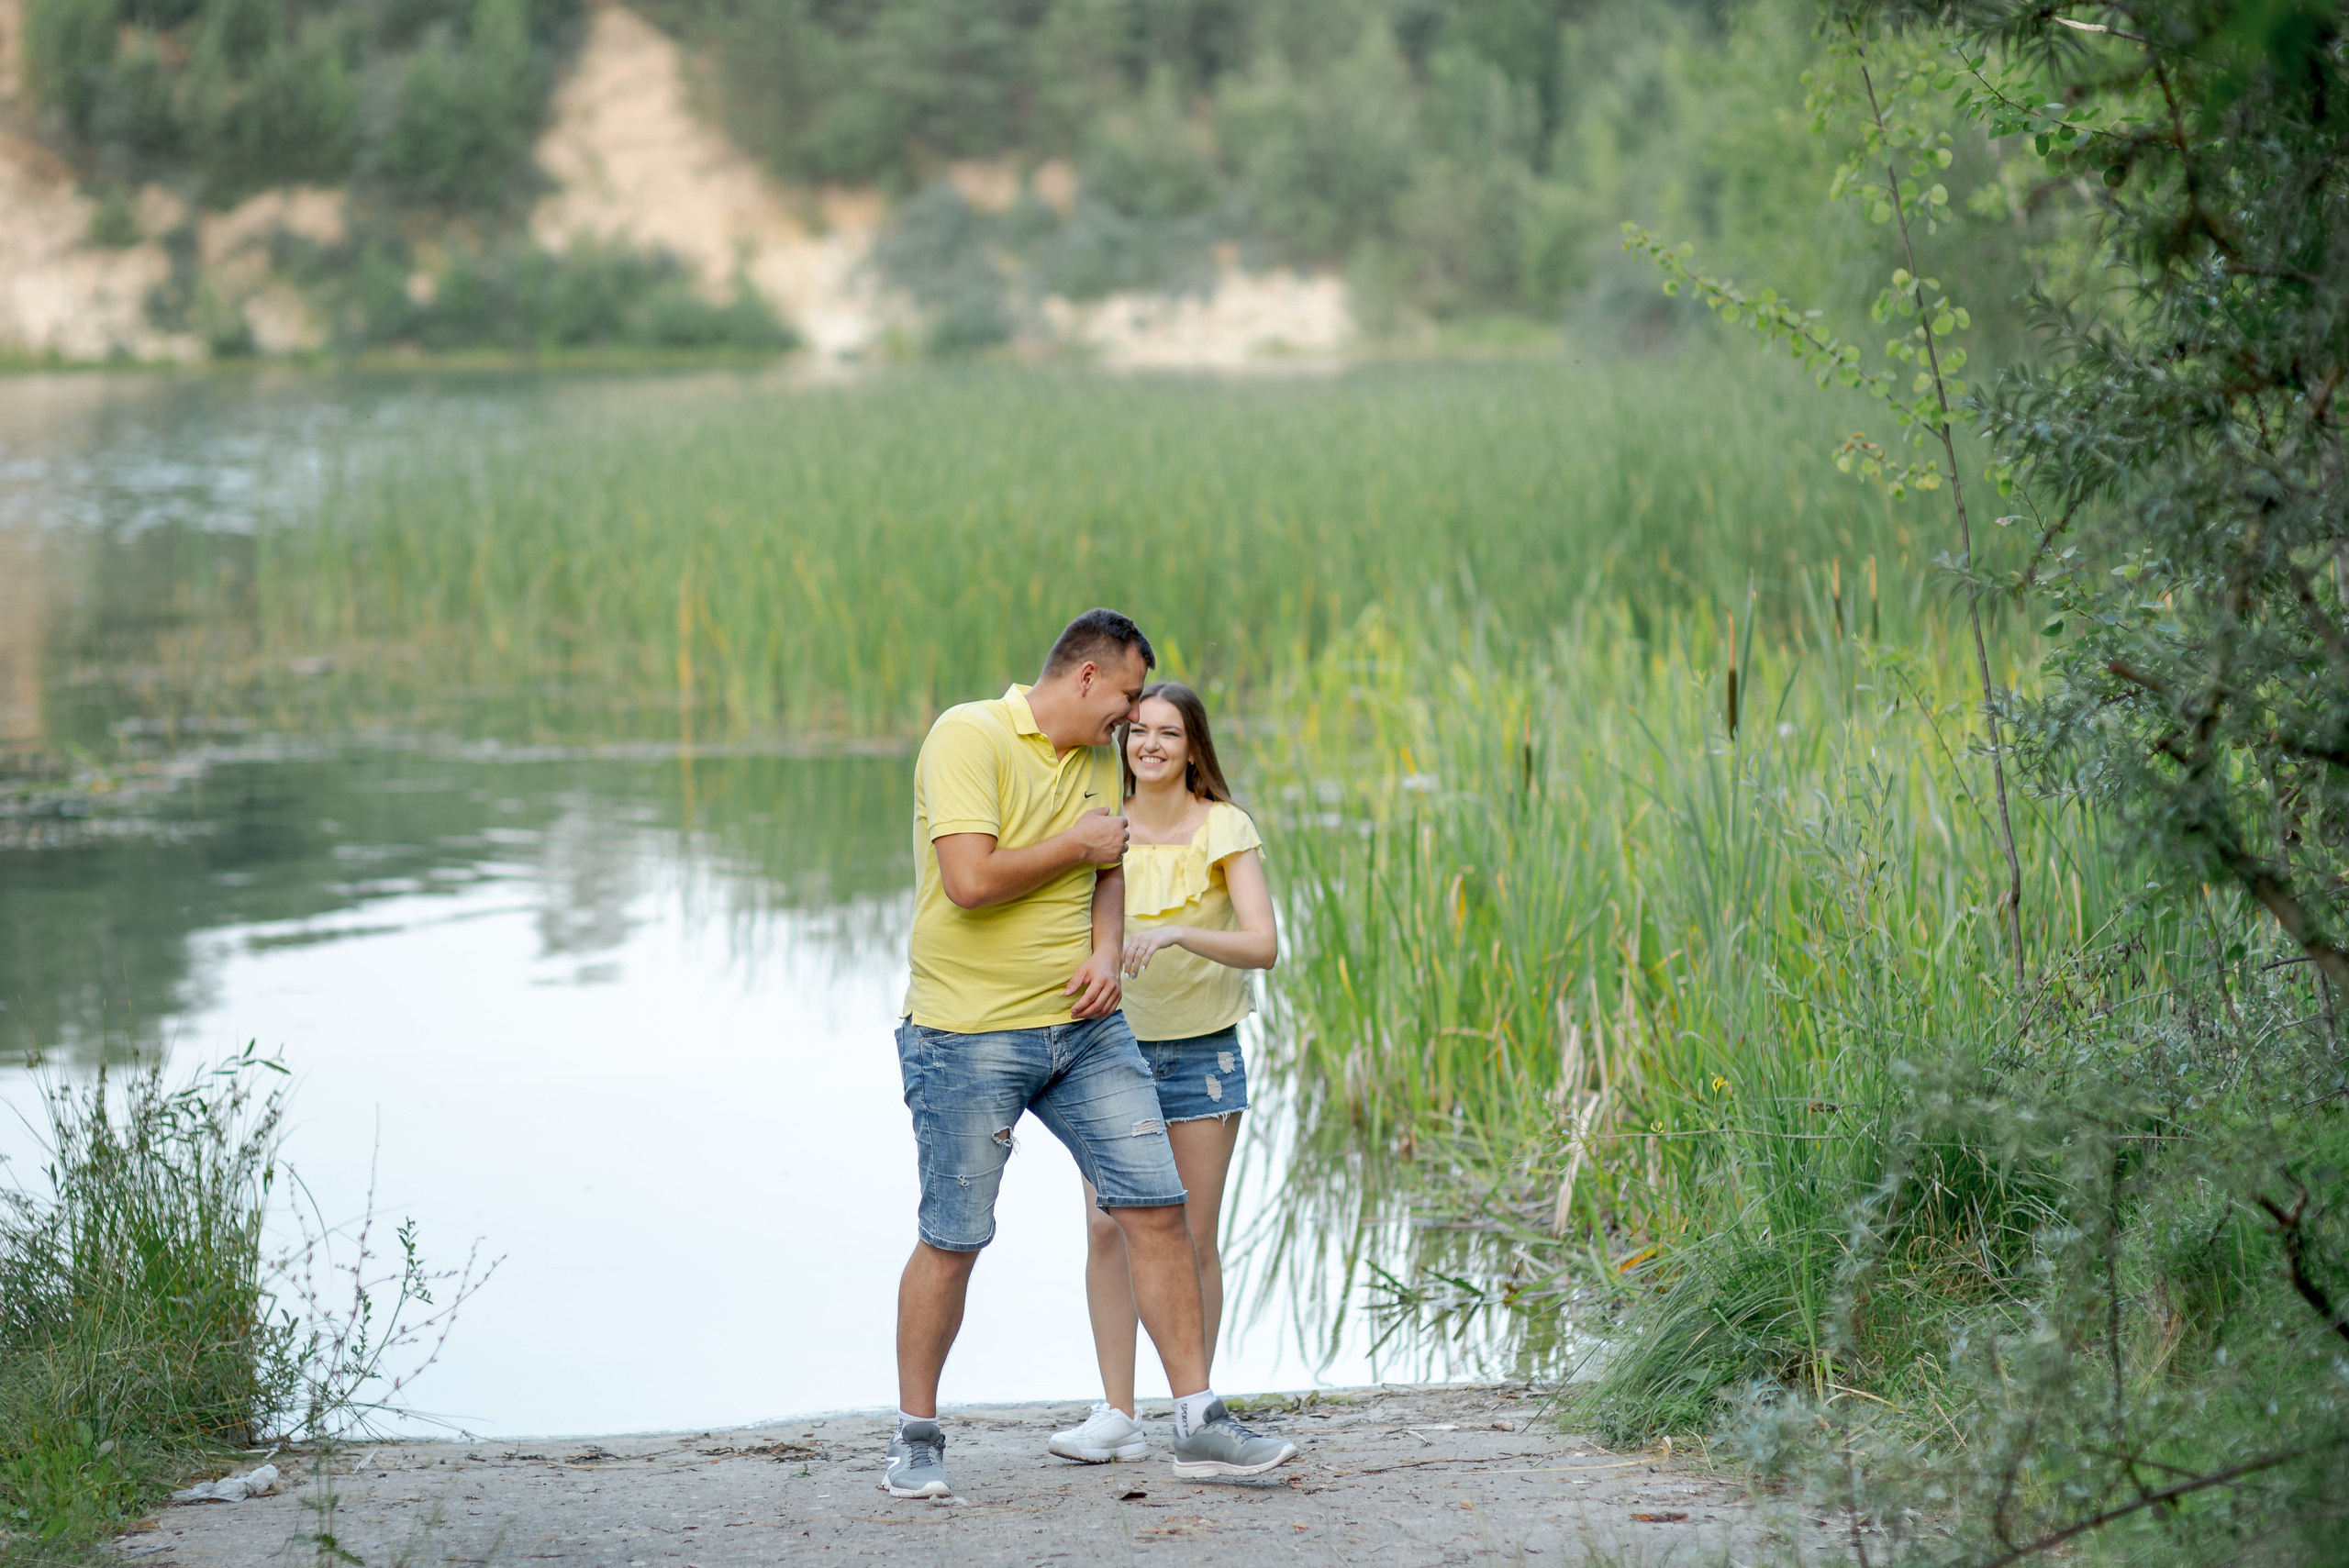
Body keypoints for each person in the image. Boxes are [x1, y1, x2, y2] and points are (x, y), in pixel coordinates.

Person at [886, 611, 1297, 1499]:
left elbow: (1108, 869)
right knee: (952, 1238)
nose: (1130, 715)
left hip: (1084, 1028)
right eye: (1124, 695)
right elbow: (968, 880)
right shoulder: (967, 735)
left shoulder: (1092, 759)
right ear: (1083, 678)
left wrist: (1106, 951)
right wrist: (1073, 845)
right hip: (968, 1032)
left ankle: (1196, 1421)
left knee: (1155, 1208)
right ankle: (916, 1434)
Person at [1048, 681, 1280, 1466]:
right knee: (1106, 1227)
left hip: (1203, 1056)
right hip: (1107, 1052)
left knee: (1190, 1238)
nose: (1149, 743)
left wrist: (1181, 930)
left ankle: (1196, 1416)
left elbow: (1263, 944)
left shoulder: (1223, 826)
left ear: (1192, 747)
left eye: (1168, 733)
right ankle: (1116, 1412)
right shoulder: (1097, 827)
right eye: (1138, 729)